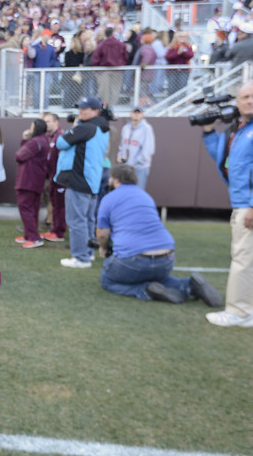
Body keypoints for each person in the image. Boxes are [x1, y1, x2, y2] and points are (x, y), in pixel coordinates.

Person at [96, 164, 222, 306]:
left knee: (107, 281)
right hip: (166, 258)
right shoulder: (145, 196)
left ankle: (145, 290)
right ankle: (189, 285)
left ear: (115, 179)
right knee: (157, 278)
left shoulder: (109, 198)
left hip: (134, 260)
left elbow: (102, 234)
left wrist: (103, 248)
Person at [201, 81, 253, 327]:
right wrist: (209, 131)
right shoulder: (239, 129)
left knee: (243, 258)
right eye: (245, 96)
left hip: (247, 204)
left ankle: (239, 312)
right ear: (237, 102)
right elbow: (223, 158)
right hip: (241, 201)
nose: (249, 100)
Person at [55, 96, 110, 268]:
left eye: (85, 109)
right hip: (92, 180)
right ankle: (88, 253)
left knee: (76, 220)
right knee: (86, 220)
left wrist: (76, 125)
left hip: (79, 179)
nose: (81, 111)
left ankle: (81, 258)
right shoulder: (103, 127)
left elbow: (60, 143)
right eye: (80, 108)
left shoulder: (86, 127)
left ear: (96, 111)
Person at [14, 118, 50, 248]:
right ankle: (29, 235)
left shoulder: (35, 141)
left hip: (27, 180)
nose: (30, 129)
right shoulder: (42, 140)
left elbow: (19, 156)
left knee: (26, 208)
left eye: (31, 126)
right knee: (32, 209)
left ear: (36, 128)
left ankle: (34, 238)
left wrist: (24, 139)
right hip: (36, 180)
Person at [40, 112, 66, 242]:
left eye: (49, 121)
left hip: (59, 178)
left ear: (56, 122)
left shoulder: (61, 137)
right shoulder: (48, 137)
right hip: (51, 176)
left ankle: (59, 232)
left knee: (59, 205)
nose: (46, 124)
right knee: (54, 204)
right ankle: (54, 229)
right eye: (45, 121)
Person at [117, 108, 155, 190]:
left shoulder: (146, 128)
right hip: (126, 166)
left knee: (138, 190)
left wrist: (138, 161)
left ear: (142, 114)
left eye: (139, 113)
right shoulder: (126, 128)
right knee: (125, 191)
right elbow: (122, 145)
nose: (136, 114)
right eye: (134, 112)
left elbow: (148, 149)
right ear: (130, 114)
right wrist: (120, 155)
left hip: (140, 167)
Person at [91, 27, 128, 107]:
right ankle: (112, 107)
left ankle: (106, 107)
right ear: (113, 33)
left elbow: (95, 58)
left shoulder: (101, 44)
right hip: (117, 70)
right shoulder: (120, 44)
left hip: (104, 70)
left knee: (104, 91)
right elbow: (125, 57)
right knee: (115, 89)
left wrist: (97, 68)